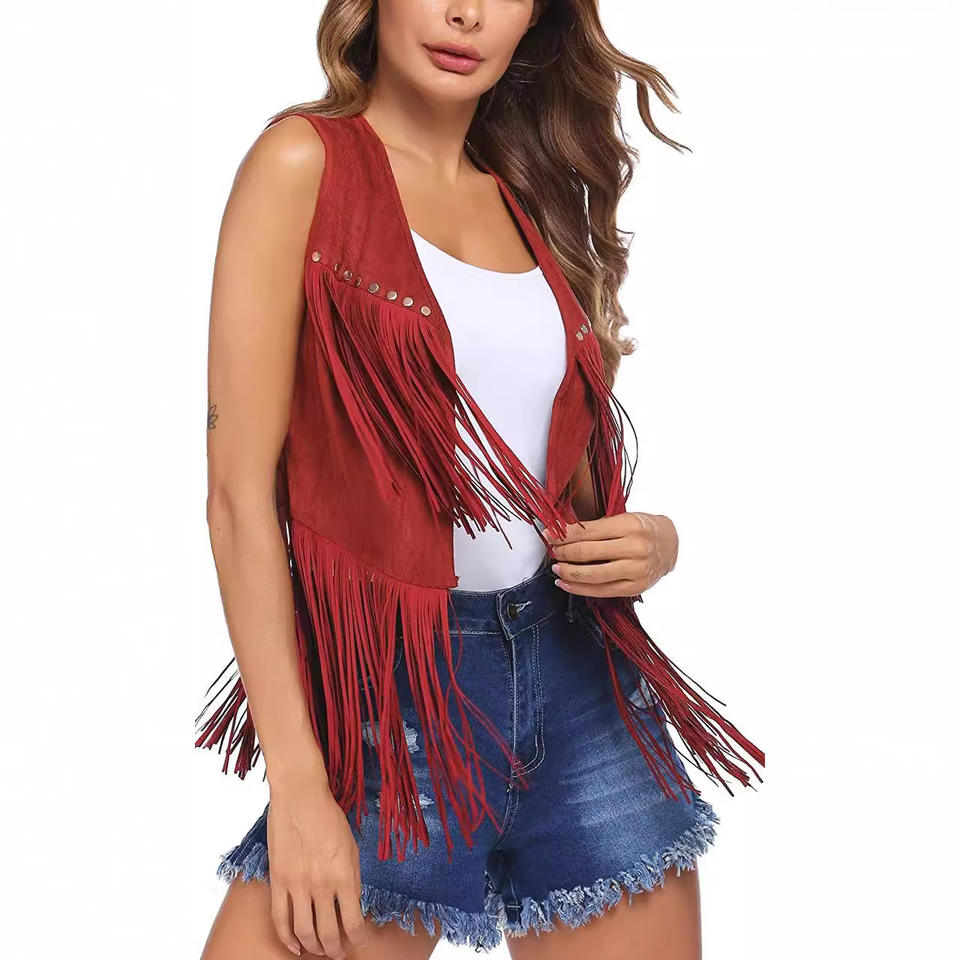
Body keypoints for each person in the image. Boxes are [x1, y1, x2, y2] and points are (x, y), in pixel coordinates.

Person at [199, 2, 749, 958]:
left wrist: (651, 543)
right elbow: (238, 499)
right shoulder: (303, 163)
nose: (466, 13)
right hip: (396, 700)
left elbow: (555, 478)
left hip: (580, 683)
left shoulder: (530, 192)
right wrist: (298, 785)